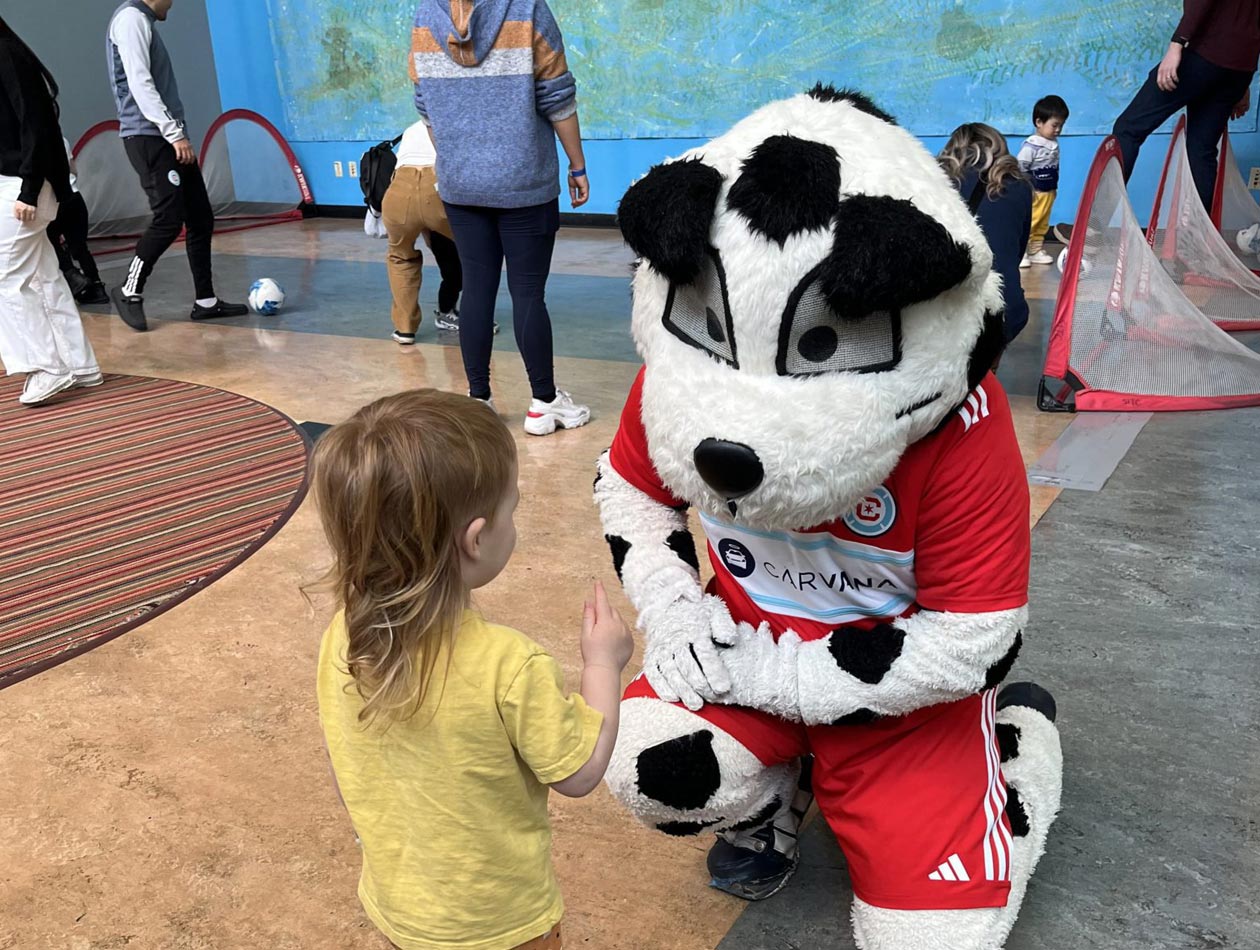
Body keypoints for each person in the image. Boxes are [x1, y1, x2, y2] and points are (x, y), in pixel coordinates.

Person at [311, 388, 634, 950]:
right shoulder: (508, 664)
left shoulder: (344, 637)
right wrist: (602, 665)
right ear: (477, 538)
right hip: (500, 924)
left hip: (400, 908)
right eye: (513, 507)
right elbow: (580, 774)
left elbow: (349, 765)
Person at [410, 0, 592, 435]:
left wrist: (459, 162)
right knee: (528, 293)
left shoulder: (424, 16)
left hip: (461, 185)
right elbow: (557, 97)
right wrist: (578, 165)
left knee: (476, 289)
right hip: (524, 182)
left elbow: (425, 104)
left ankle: (480, 402)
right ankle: (543, 403)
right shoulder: (527, 9)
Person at [106, 0, 246, 332]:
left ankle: (206, 302)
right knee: (169, 218)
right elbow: (141, 83)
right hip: (149, 137)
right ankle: (129, 290)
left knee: (200, 216)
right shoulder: (130, 19)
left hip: (167, 136)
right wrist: (173, 134)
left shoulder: (142, 21)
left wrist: (176, 134)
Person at [0, 16, 102, 406]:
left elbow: (37, 125)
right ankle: (80, 364)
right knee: (43, 275)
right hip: (22, 183)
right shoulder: (9, 52)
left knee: (7, 278)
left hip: (24, 186)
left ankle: (47, 366)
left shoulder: (5, 53)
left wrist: (28, 188)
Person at [1112, 0, 1260, 211]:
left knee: (1128, 129)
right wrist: (1244, 82)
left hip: (1204, 55)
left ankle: (1097, 226)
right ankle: (1194, 238)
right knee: (1202, 151)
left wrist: (1176, 45)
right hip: (1238, 70)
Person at [939, 123, 1033, 342]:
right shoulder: (1020, 187)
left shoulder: (937, 182)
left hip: (947, 311)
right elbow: (1016, 252)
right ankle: (989, 367)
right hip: (1004, 308)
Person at [381, 120, 465, 344]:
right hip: (437, 188)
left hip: (398, 191)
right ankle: (465, 316)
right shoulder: (460, 122)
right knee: (474, 253)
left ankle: (404, 329)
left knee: (400, 256)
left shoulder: (411, 128)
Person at [47, 137, 108, 305]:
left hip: (51, 201)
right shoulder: (62, 138)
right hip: (74, 197)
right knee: (80, 248)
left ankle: (73, 277)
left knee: (49, 245)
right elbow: (73, 169)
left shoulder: (27, 139)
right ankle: (97, 287)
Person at [1016, 95, 1068, 267]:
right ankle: (1021, 252)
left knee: (1043, 223)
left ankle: (1035, 250)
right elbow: (1021, 166)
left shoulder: (1053, 143)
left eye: (1061, 125)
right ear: (1039, 122)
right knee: (1031, 221)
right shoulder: (1032, 145)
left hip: (1049, 191)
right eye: (1054, 125)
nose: (1058, 130)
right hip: (1035, 192)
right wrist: (1025, 187)